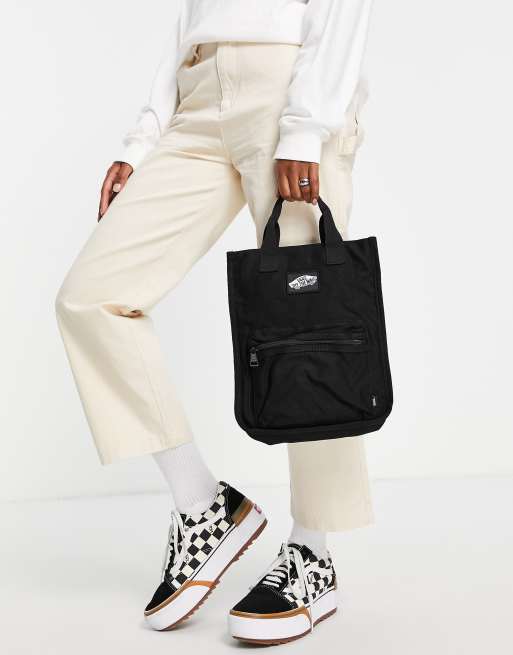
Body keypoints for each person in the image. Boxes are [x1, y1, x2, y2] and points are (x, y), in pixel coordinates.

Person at [55, 0, 374, 645]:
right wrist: (144, 137)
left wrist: (305, 129)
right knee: (91, 298)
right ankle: (204, 506)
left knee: (310, 331)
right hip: (197, 96)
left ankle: (312, 553)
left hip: (285, 84)